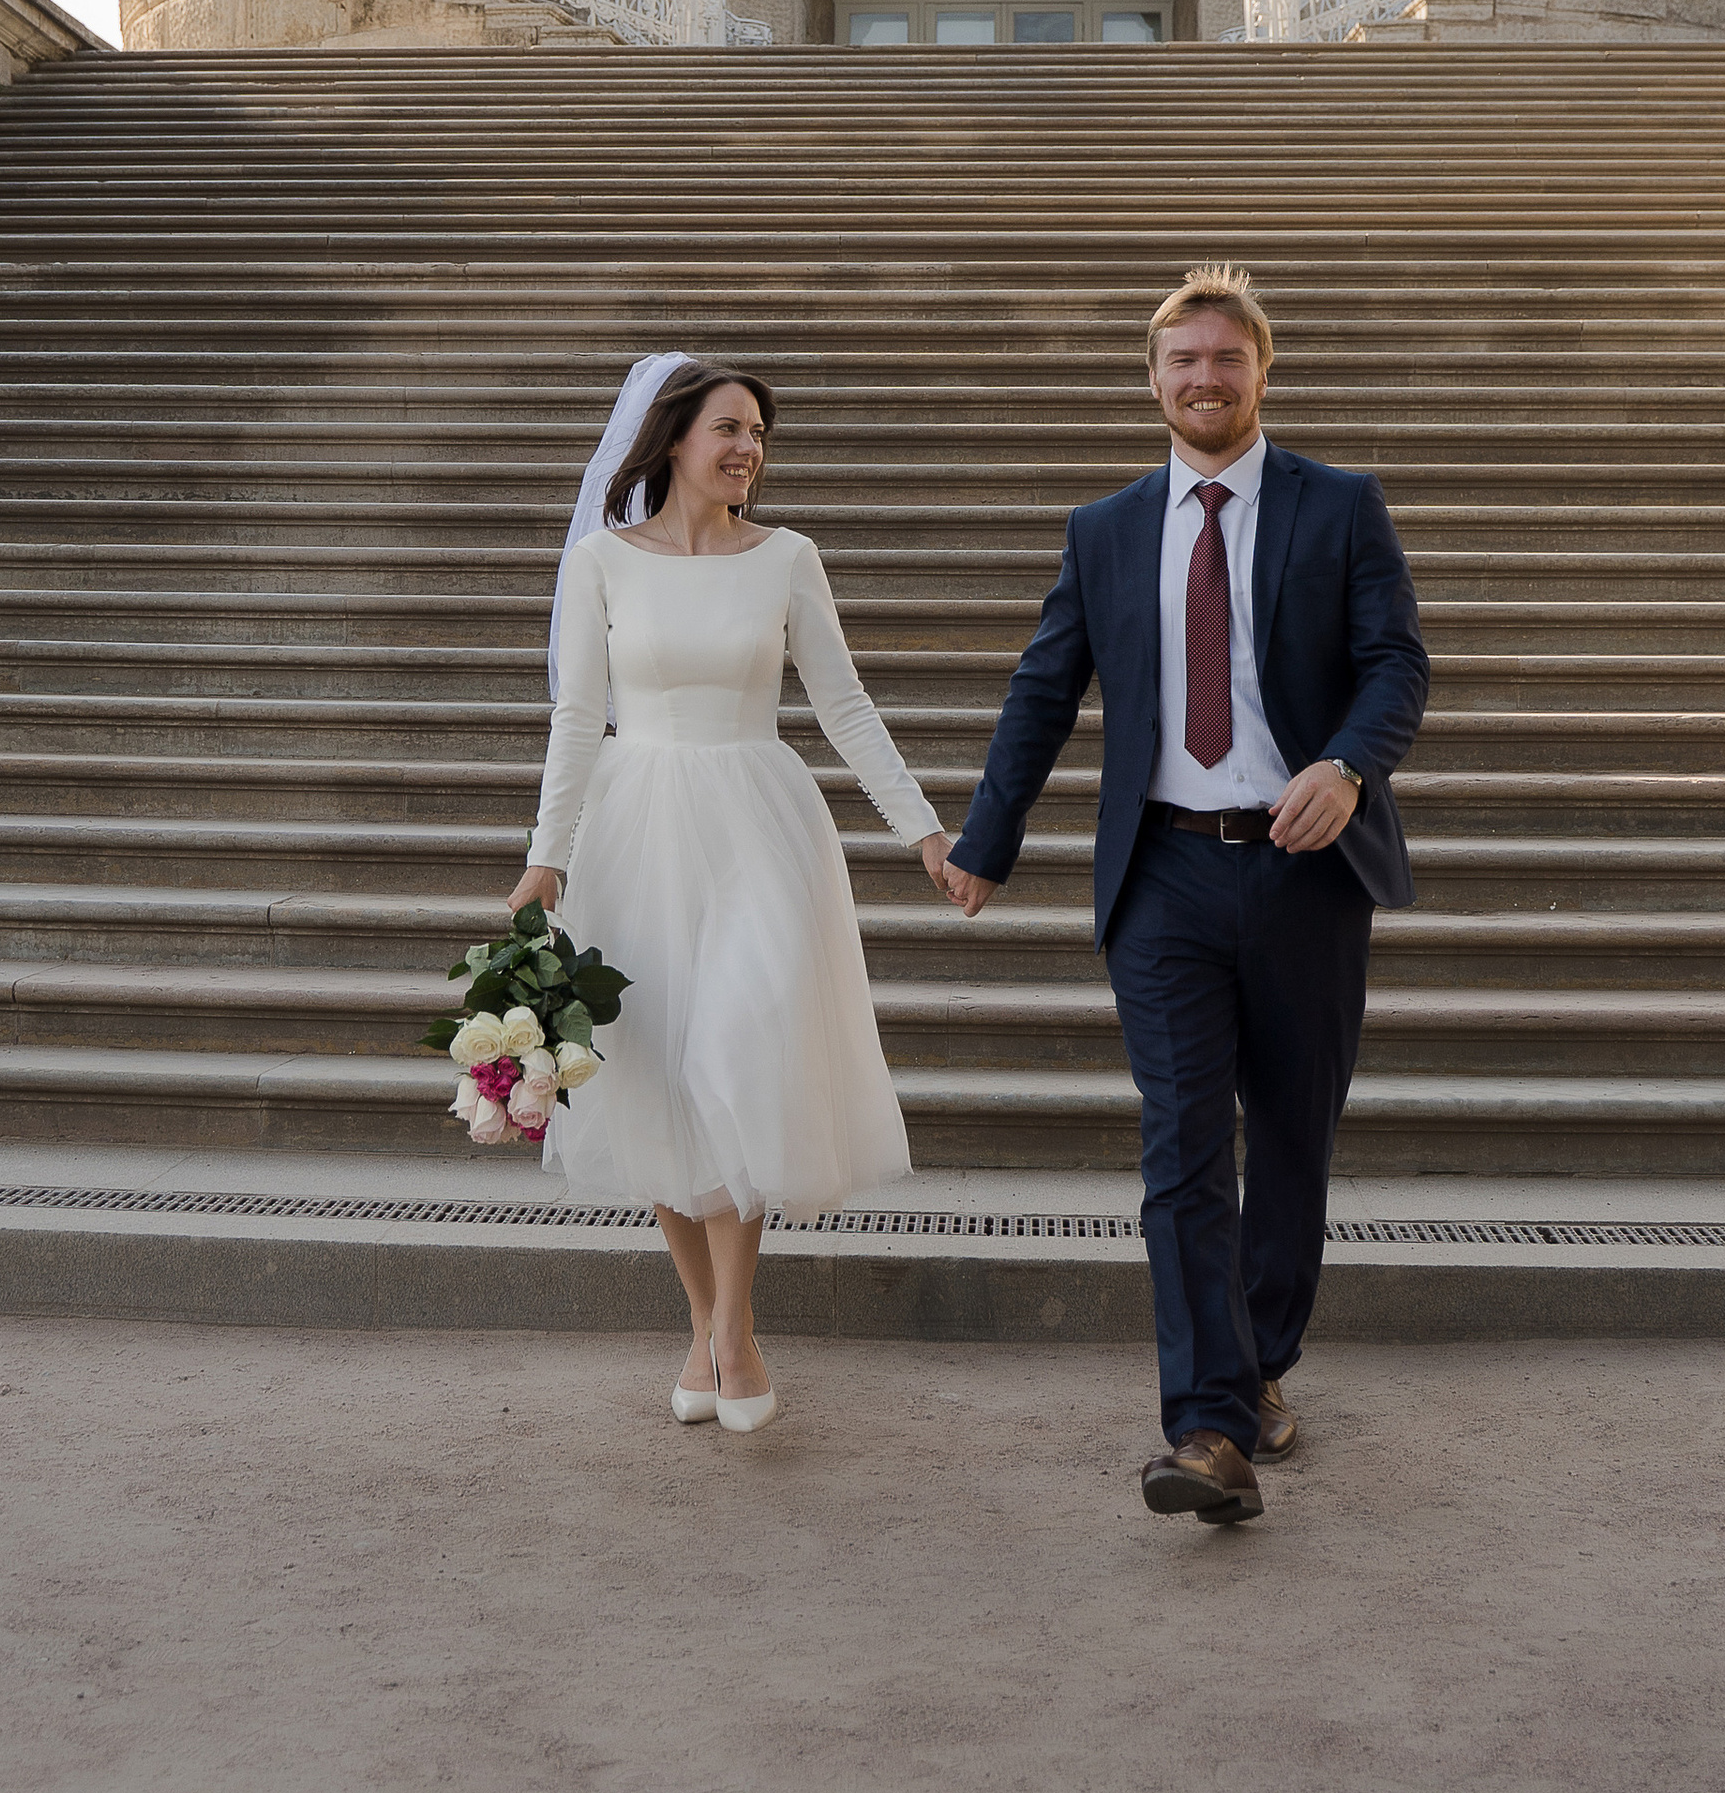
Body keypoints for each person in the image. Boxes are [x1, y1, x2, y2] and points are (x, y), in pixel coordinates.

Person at [940, 264, 1427, 1528]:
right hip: (1160, 873)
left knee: (1295, 1142)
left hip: (1306, 869)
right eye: (1180, 362)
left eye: (1225, 358)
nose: (1203, 379)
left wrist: (1345, 763)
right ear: (1149, 381)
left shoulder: (1338, 506)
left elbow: (1395, 666)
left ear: (1261, 372)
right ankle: (1207, 1426)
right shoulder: (1105, 530)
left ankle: (1260, 1359)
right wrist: (986, 840)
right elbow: (1044, 689)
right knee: (1183, 1151)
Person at [508, 358, 957, 1438]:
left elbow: (842, 704)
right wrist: (545, 856)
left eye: (759, 430)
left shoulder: (788, 558)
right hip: (635, 825)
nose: (749, 446)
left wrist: (925, 830)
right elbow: (578, 717)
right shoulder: (601, 561)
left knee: (741, 1053)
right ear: (673, 442)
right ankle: (712, 1327)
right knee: (655, 1070)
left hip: (761, 822)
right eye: (728, 428)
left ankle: (735, 1326)